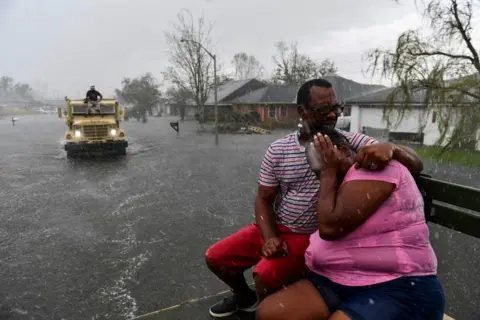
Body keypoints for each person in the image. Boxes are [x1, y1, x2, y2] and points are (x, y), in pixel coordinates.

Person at [204, 78, 424, 318]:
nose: (332, 115)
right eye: (324, 109)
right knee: (216, 258)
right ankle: (245, 297)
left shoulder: (348, 141)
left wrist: (392, 148)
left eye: (336, 108)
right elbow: (263, 199)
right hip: (275, 227)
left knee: (264, 275)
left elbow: (415, 163)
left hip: (309, 235)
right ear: (302, 111)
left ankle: (267, 307)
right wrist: (269, 236)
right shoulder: (278, 150)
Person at [256, 128, 444, 320]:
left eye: (325, 156)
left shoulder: (374, 168)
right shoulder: (337, 185)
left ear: (345, 150)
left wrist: (328, 171)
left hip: (397, 285)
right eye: (314, 164)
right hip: (332, 281)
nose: (319, 169)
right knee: (270, 313)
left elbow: (331, 227)